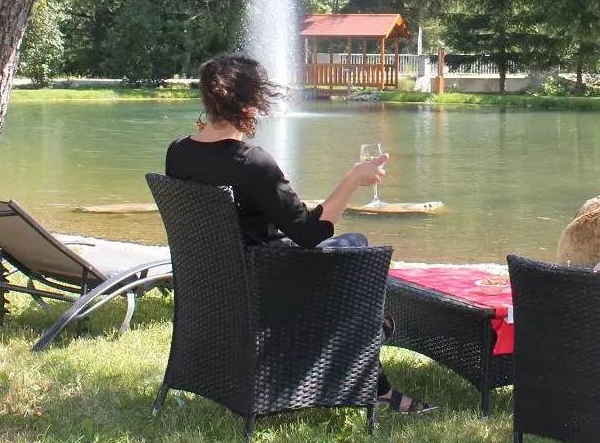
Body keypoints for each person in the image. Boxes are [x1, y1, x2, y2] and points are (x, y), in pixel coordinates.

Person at [165, 52, 435, 414]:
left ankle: (377, 374)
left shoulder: (179, 153)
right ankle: (368, 335)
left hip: (220, 288)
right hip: (269, 290)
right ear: (252, 102)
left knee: (350, 251)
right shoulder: (251, 162)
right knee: (355, 246)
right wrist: (353, 179)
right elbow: (311, 235)